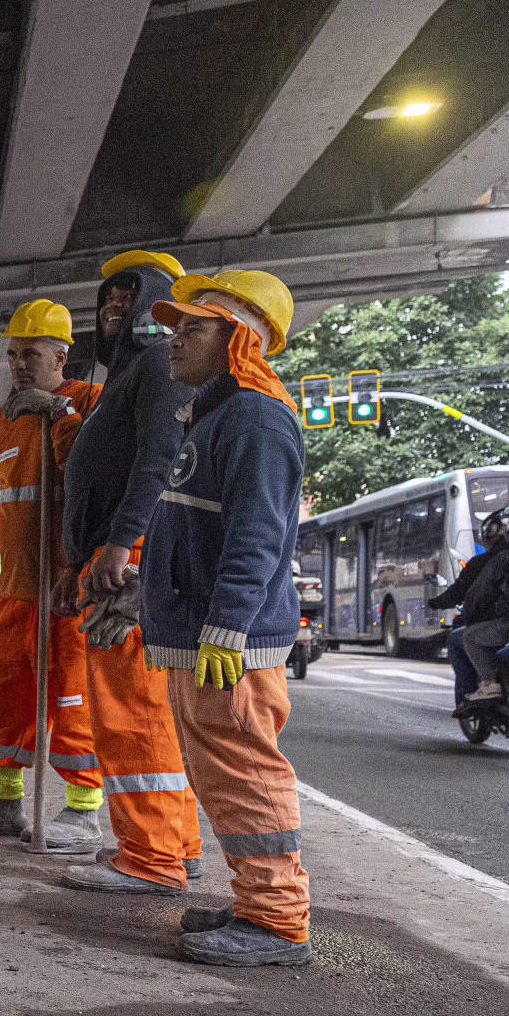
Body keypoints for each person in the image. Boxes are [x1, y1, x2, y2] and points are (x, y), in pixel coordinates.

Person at [135, 268, 312, 966]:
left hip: (228, 644)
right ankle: (255, 899)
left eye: (194, 327)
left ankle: (276, 921)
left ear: (240, 339)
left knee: (246, 773)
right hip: (202, 635)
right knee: (220, 775)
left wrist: (227, 626)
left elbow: (258, 535)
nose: (174, 339)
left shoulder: (256, 419)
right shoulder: (218, 415)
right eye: (176, 326)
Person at [56, 250, 208, 893]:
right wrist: (80, 558)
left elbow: (160, 460)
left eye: (130, 292)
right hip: (116, 554)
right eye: (108, 296)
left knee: (132, 712)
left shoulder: (155, 362)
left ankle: (149, 859)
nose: (114, 303)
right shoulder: (128, 374)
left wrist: (122, 544)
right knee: (149, 710)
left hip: (131, 559)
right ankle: (178, 846)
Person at [0, 300, 106, 849]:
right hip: (16, 588)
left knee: (74, 701)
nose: (17, 363)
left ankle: (83, 810)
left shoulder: (90, 402)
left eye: (29, 352)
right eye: (11, 354)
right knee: (3, 693)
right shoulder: (4, 421)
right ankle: (5, 802)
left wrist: (58, 412)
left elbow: (94, 471)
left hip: (65, 589)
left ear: (62, 354)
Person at [430, 514, 509, 707]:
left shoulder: (487, 562)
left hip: (503, 623)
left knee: (459, 638)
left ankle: (472, 693)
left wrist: (436, 603)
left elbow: (459, 592)